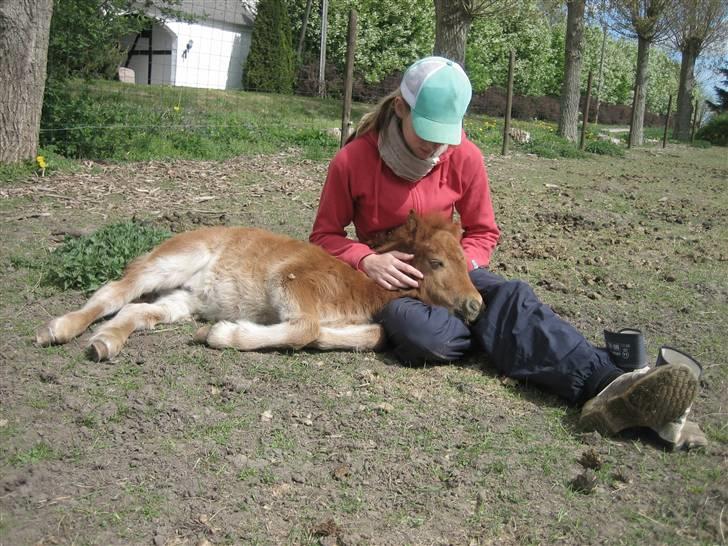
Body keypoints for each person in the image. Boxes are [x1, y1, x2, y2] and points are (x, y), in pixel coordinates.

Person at [309, 56, 706, 450]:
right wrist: (366, 258)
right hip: (393, 284)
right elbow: (324, 234)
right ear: (400, 108)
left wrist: (461, 268)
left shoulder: (464, 156)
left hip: (447, 268)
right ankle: (528, 342)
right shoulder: (353, 160)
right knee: (423, 332)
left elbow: (483, 232)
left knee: (510, 295)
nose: (435, 145)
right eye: (427, 131)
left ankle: (611, 387)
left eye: (445, 133)